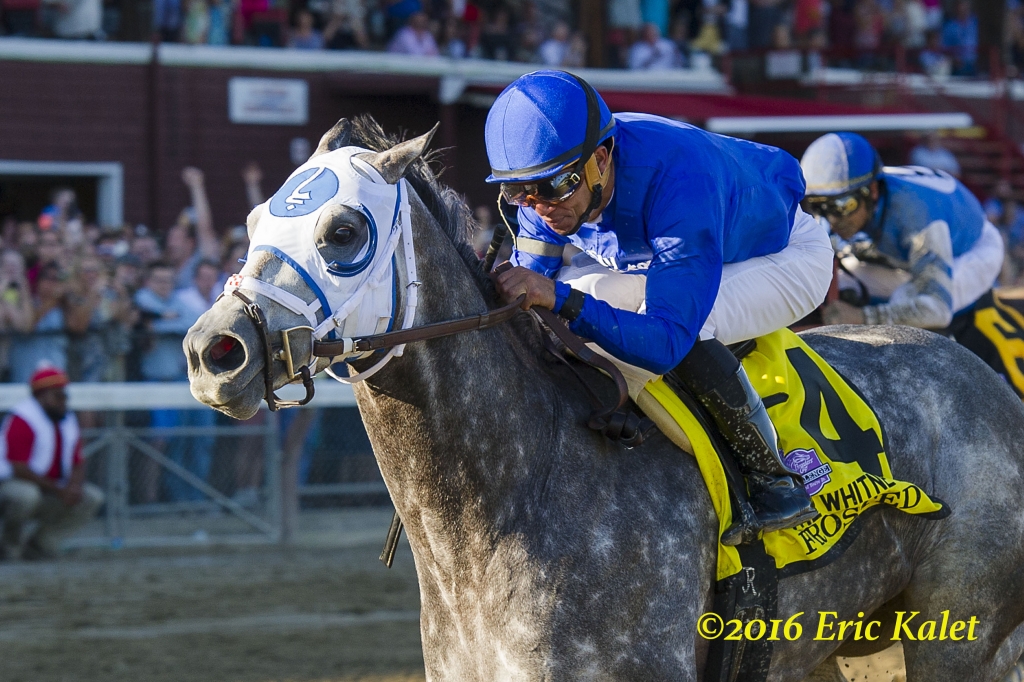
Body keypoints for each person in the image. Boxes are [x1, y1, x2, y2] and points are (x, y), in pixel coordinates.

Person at [485, 71, 834, 541]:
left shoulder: (680, 182)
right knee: (577, 289)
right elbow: (532, 290)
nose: (539, 206)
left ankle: (774, 480)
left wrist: (561, 298)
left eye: (552, 188)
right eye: (518, 192)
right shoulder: (550, 182)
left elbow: (668, 340)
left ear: (601, 160)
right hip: (682, 253)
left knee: (687, 324)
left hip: (786, 256)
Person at [801, 132, 1003, 339]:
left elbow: (936, 309)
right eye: (819, 205)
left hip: (972, 250)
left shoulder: (915, 214)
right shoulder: (837, 206)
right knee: (839, 283)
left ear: (872, 190)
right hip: (899, 250)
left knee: (905, 300)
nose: (833, 219)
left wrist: (862, 316)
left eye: (844, 205)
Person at [0, 367, 104, 560]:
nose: (64, 401)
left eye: (64, 396)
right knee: (25, 495)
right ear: (42, 396)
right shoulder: (22, 419)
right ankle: (8, 547)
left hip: (51, 488)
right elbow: (18, 468)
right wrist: (59, 490)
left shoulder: (66, 420)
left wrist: (74, 486)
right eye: (58, 396)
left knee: (91, 497)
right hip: (11, 486)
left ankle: (39, 545)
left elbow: (77, 462)